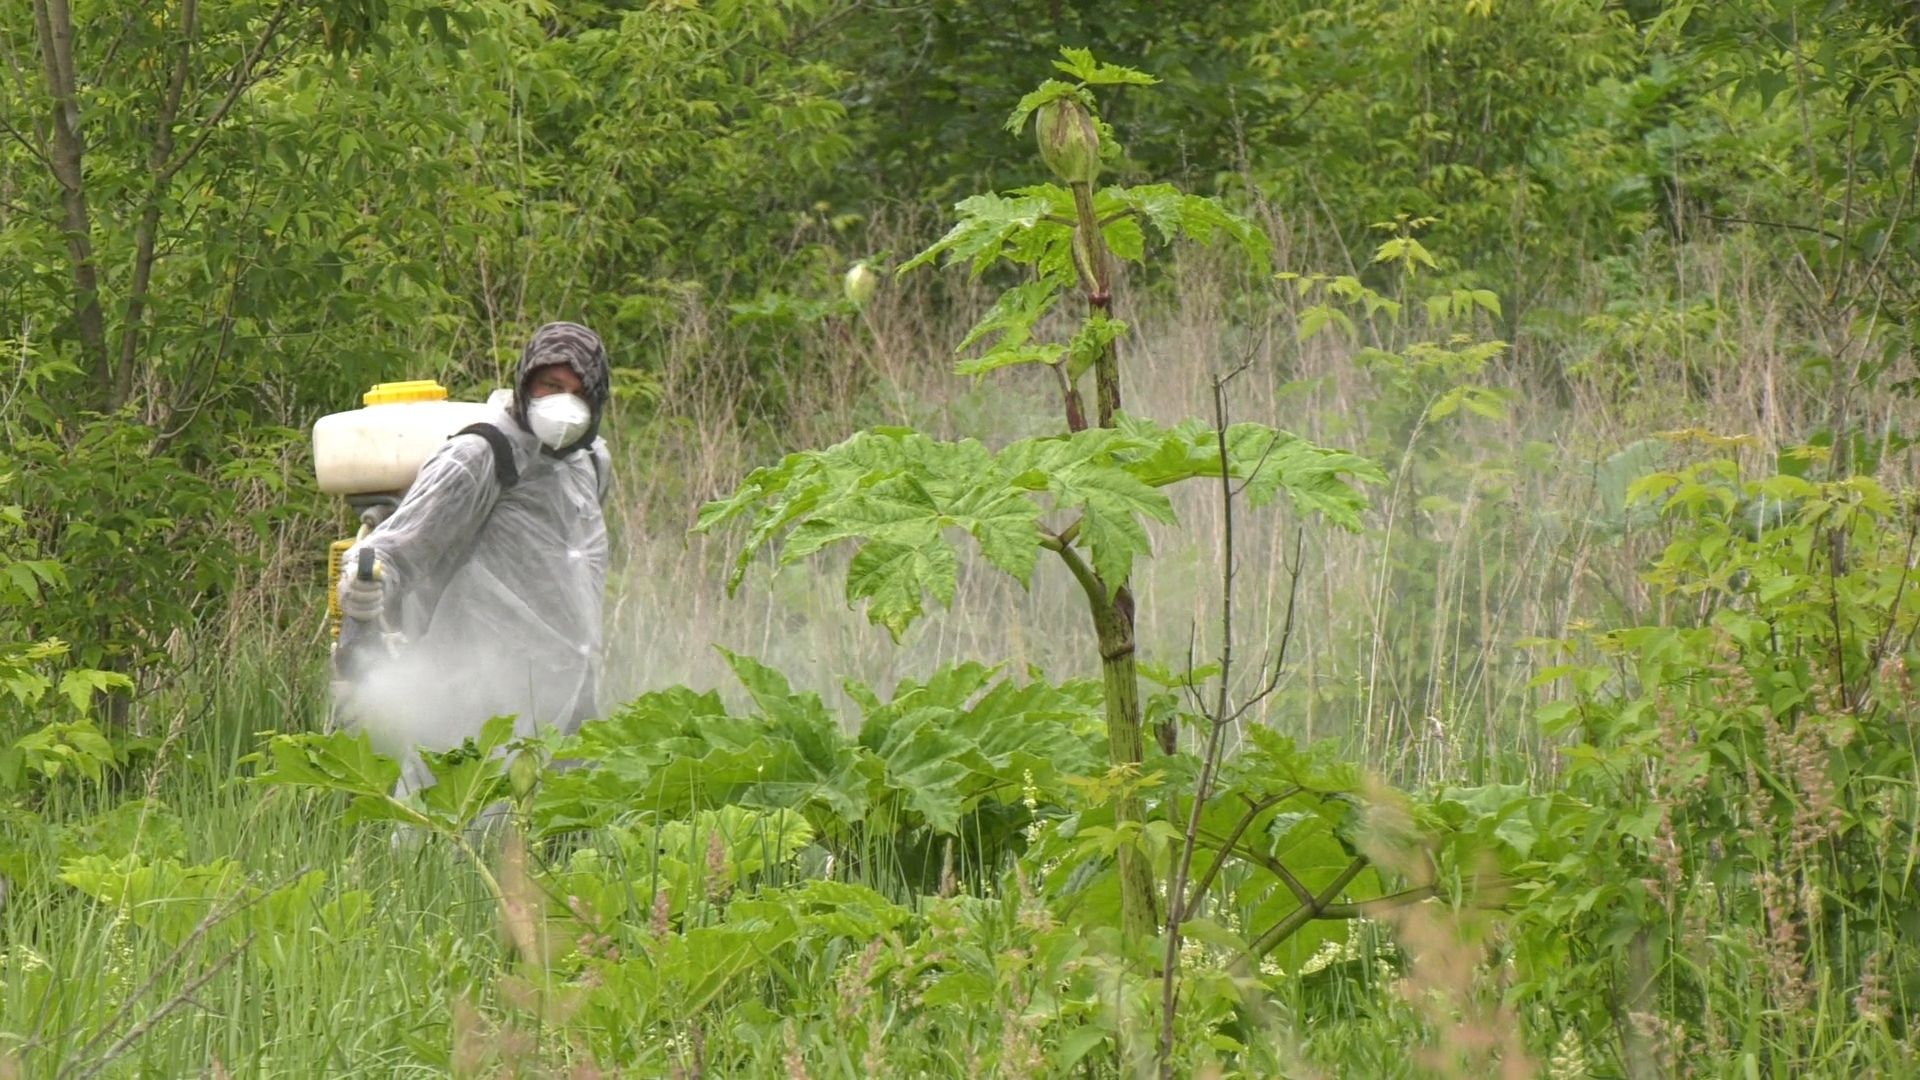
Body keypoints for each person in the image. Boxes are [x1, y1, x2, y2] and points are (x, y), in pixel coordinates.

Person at [336, 321, 613, 797]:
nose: (563, 404)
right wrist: (362, 604)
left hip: (564, 699)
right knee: (446, 831)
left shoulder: (590, 463)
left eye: (577, 391)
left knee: (556, 846)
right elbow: (390, 553)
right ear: (526, 383)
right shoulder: (481, 454)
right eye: (550, 386)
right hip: (470, 694)